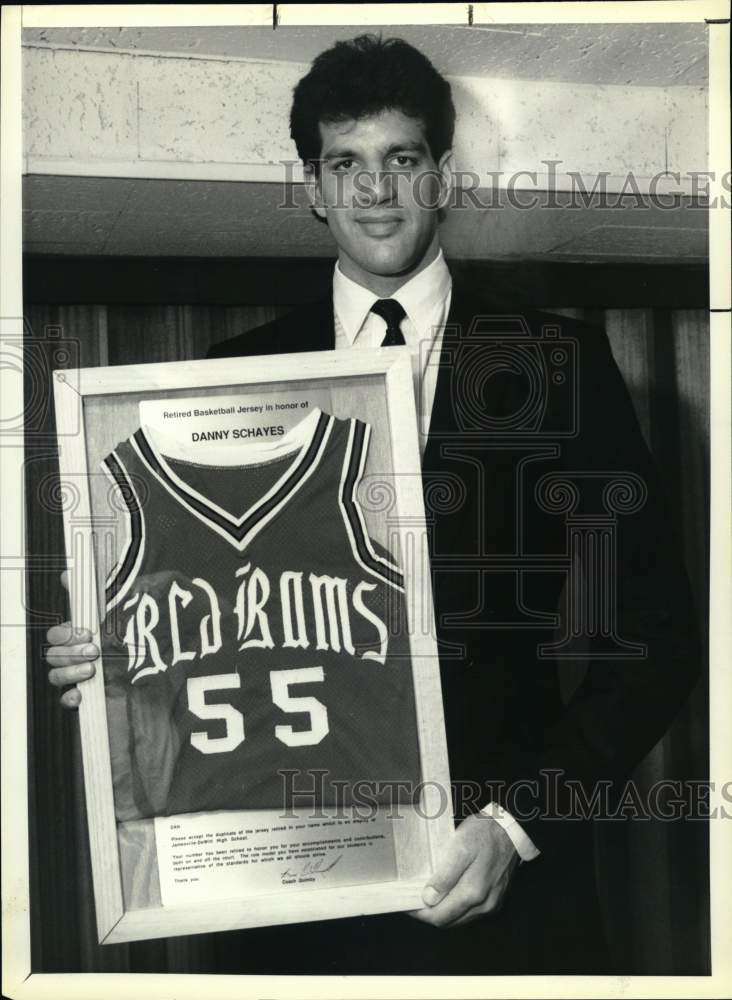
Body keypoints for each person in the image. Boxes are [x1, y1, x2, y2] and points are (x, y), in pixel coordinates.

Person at [45, 34, 700, 974]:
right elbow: (187, 629)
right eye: (344, 163)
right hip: (285, 902)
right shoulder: (225, 379)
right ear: (311, 186)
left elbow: (657, 639)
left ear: (441, 176)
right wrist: (106, 654)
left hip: (500, 892)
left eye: (402, 159)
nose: (374, 190)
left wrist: (518, 824)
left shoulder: (561, 367)